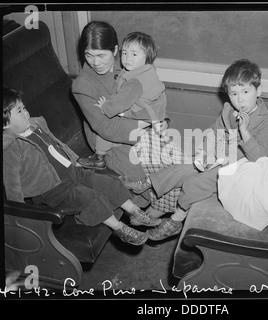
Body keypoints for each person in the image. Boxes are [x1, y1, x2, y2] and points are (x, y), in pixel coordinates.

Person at [124, 58, 268, 241]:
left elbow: (259, 157)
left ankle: (175, 221)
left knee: (195, 182)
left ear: (258, 90)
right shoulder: (229, 110)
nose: (240, 99)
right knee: (183, 167)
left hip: (239, 170)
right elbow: (214, 132)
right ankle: (148, 182)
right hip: (219, 157)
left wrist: (244, 132)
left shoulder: (267, 122)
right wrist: (204, 153)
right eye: (234, 94)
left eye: (246, 91)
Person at [2, 86, 162, 246]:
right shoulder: (10, 149)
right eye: (19, 111)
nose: (26, 113)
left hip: (72, 172)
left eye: (24, 108)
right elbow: (12, 184)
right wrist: (21, 216)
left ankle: (134, 212)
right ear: (5, 124)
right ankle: (120, 228)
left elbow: (58, 146)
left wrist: (74, 160)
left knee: (108, 183)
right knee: (91, 197)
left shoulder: (34, 126)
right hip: (53, 190)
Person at [72, 21, 186, 216]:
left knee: (177, 167)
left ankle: (157, 217)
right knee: (153, 174)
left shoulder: (130, 62)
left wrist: (160, 120)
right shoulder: (83, 85)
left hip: (140, 127)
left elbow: (152, 97)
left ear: (115, 50)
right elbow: (106, 127)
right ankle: (149, 219)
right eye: (88, 55)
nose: (95, 62)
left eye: (101, 55)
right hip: (110, 142)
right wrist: (149, 132)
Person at [78, 31, 167, 170]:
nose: (127, 58)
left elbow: (119, 103)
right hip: (152, 116)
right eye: (124, 53)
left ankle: (99, 157)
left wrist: (105, 107)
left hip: (140, 116)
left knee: (107, 127)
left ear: (148, 56)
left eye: (134, 54)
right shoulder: (148, 71)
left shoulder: (135, 81)